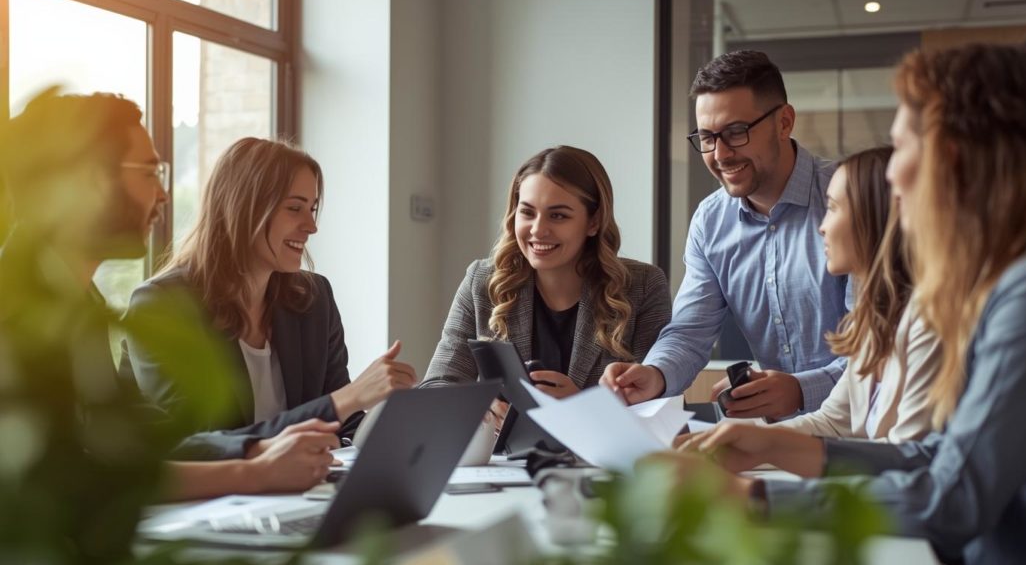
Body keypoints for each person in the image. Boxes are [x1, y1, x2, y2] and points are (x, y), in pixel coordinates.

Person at [674, 33, 1026, 565]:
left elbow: (955, 499)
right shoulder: (1011, 279)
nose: (889, 177)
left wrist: (757, 499)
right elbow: (937, 459)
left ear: (954, 157)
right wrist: (772, 446)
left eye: (902, 147)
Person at [0, 90, 340, 500]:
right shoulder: (17, 307)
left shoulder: (79, 300)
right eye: (149, 173)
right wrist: (254, 471)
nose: (162, 194)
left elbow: (137, 441)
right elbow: (72, 479)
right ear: (88, 181)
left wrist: (254, 452)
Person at [122, 138, 417, 459]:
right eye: (295, 208)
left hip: (301, 484)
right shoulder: (161, 307)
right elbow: (202, 445)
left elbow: (343, 425)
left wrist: (395, 417)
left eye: (312, 209)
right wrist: (347, 399)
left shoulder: (315, 299)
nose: (311, 226)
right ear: (244, 209)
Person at [601, 50, 849, 420]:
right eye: (707, 137)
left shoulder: (850, 199)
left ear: (784, 122)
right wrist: (655, 374)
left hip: (871, 431)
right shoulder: (711, 221)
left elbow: (884, 349)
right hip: (781, 436)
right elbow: (689, 332)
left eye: (736, 133)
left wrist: (801, 390)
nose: (720, 154)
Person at [423, 146, 671, 411]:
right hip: (503, 441)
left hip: (601, 441)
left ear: (594, 222)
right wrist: (479, 407)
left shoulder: (643, 286)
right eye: (527, 212)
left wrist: (582, 409)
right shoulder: (482, 281)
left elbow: (658, 409)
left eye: (558, 216)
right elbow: (437, 386)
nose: (538, 230)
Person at [758, 145, 941, 442]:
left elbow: (907, 455)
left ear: (874, 217)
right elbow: (832, 422)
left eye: (832, 208)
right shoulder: (873, 319)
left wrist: (755, 447)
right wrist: (737, 440)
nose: (822, 227)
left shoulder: (930, 320)